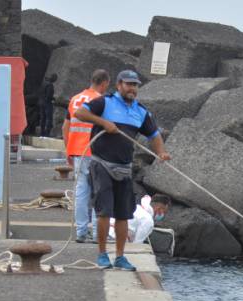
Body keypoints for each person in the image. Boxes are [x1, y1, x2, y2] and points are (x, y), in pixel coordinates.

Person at [74, 70, 170, 270]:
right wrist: (104, 123)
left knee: (123, 214)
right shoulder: (105, 102)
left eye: (135, 85)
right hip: (102, 164)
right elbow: (80, 113)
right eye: (128, 84)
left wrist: (161, 152)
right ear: (118, 85)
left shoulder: (140, 112)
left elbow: (154, 134)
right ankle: (102, 254)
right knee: (104, 212)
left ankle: (119, 256)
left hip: (125, 167)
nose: (132, 88)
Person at [64, 69, 110, 242]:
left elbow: (65, 127)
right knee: (100, 192)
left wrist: (68, 149)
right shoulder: (101, 101)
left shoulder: (75, 99)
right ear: (104, 83)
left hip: (77, 152)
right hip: (96, 151)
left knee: (81, 192)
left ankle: (81, 232)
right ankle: (99, 234)